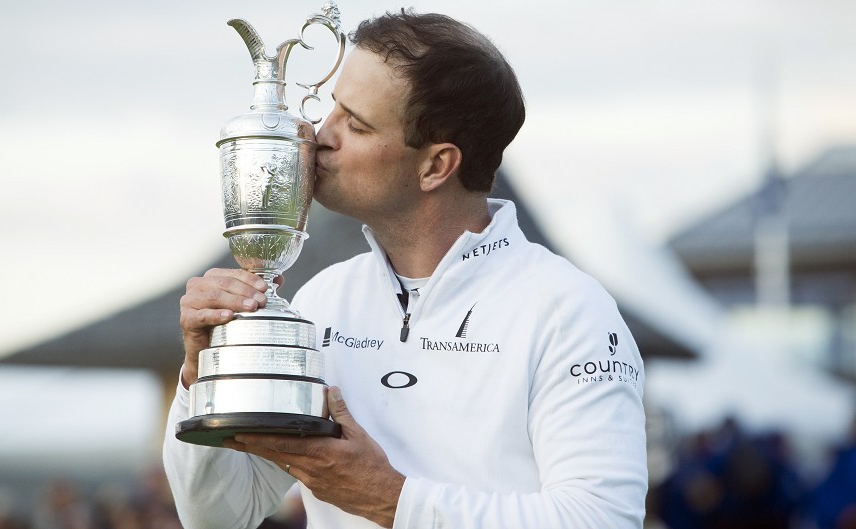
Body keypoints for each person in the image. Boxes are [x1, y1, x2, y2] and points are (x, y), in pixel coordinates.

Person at [163, 9, 647, 529]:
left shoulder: (567, 309)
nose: (320, 135)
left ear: (436, 166)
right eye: (332, 109)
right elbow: (216, 516)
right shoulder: (325, 298)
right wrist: (202, 374)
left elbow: (602, 520)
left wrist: (391, 500)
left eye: (357, 123)